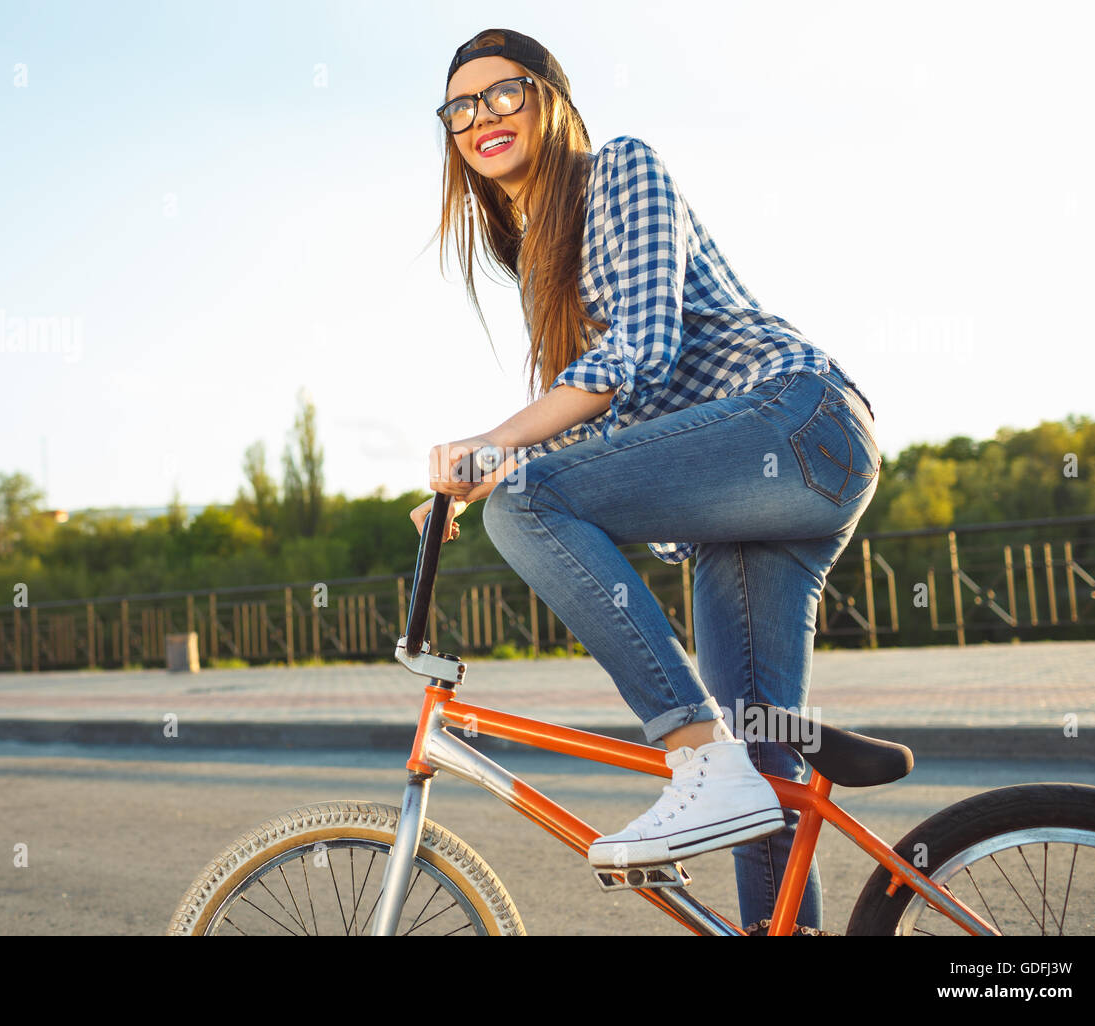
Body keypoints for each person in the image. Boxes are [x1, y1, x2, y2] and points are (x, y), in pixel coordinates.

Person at [410, 27, 881, 935]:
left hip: (796, 421)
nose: (483, 118)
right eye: (461, 108)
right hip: (744, 506)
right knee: (762, 767)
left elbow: (644, 352)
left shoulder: (621, 169)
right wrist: (490, 467)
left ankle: (692, 755)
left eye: (506, 92)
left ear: (552, 98)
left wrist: (499, 454)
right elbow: (606, 414)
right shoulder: (542, 264)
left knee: (528, 498)